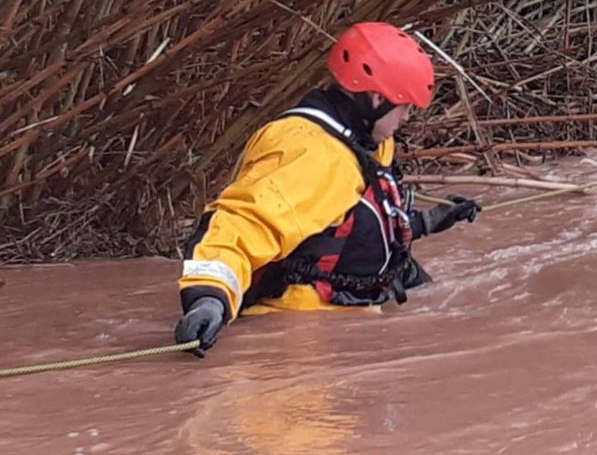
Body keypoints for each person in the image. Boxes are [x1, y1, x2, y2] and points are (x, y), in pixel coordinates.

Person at [174, 21, 481, 356]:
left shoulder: (368, 142)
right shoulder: (310, 153)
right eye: (405, 105)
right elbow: (238, 226)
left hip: (355, 318)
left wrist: (427, 222)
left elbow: (350, 225)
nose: (407, 117)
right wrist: (209, 298)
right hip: (301, 338)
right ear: (377, 98)